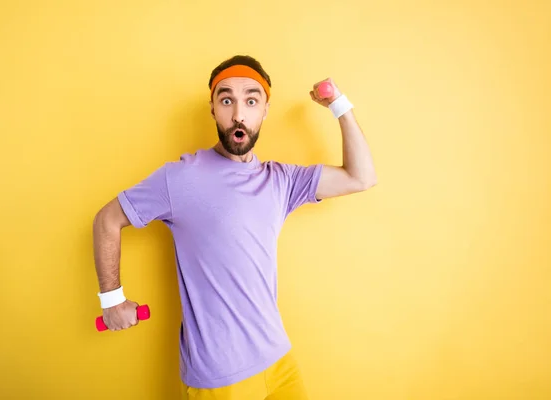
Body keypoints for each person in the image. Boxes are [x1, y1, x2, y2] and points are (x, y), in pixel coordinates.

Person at [92, 55, 377, 399]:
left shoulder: (281, 180)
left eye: (251, 101)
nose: (238, 114)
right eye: (226, 100)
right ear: (213, 109)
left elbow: (360, 177)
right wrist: (112, 300)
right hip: (219, 377)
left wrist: (337, 104)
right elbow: (107, 219)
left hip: (279, 360)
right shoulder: (180, 178)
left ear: (264, 110)